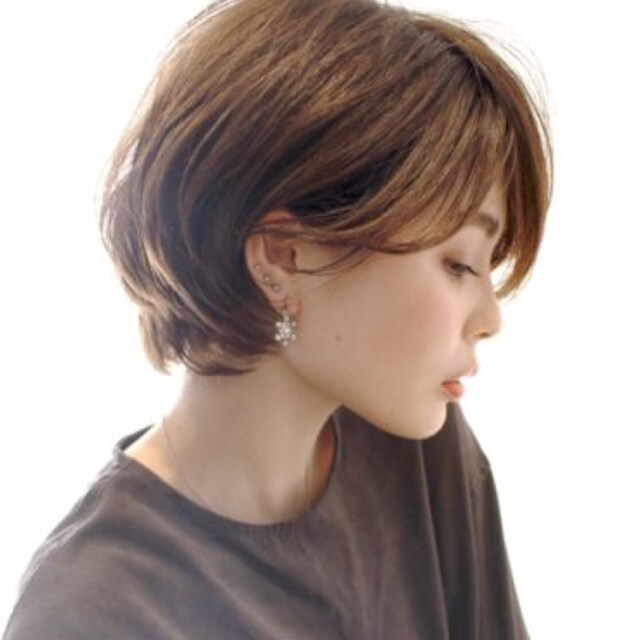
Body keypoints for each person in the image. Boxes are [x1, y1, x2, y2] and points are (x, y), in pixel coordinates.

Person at [3, 0, 553, 638]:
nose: (489, 317)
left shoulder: (420, 458)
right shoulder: (93, 612)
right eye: (459, 264)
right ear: (283, 258)